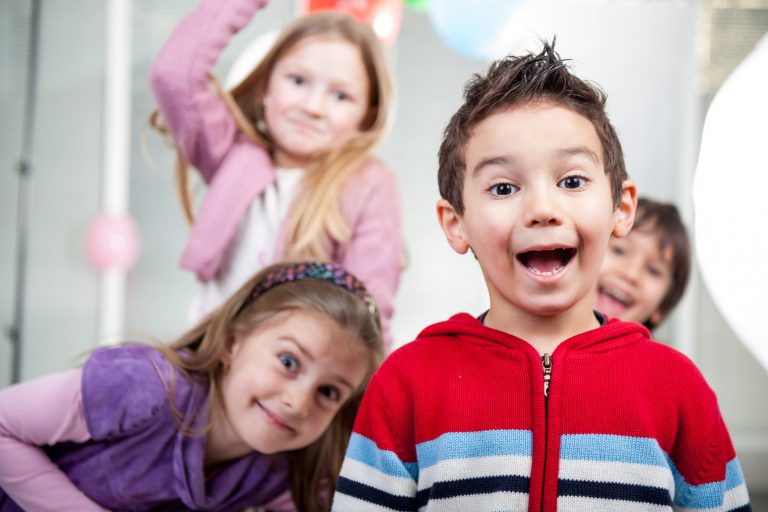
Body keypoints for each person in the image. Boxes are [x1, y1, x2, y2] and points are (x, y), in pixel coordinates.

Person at [331, 42, 751, 511]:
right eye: (504, 187)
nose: (543, 210)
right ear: (457, 224)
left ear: (621, 207)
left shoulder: (677, 389)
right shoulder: (405, 384)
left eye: (571, 181)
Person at [0, 261, 384, 512]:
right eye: (288, 362)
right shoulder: (146, 386)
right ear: (232, 343)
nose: (298, 403)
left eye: (329, 392)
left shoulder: (278, 470)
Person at [149, 0, 403, 348]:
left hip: (296, 384)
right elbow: (175, 74)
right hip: (208, 360)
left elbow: (368, 310)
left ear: (366, 114)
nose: (313, 107)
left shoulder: (367, 184)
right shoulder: (231, 156)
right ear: (267, 85)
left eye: (341, 96)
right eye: (298, 80)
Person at [596, 196, 691, 331]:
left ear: (662, 306)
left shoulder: (657, 353)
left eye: (653, 270)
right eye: (619, 251)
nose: (631, 274)